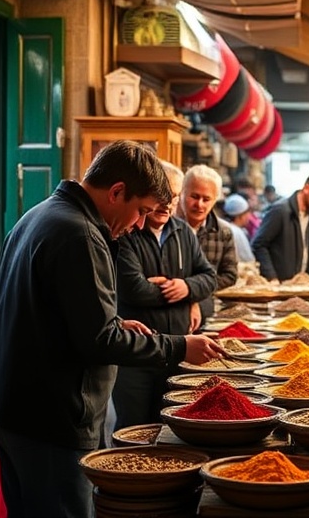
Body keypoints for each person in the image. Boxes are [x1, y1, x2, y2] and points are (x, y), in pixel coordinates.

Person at [0, 141, 224, 518]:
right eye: (141, 211)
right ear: (117, 192)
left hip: (16, 409)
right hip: (51, 417)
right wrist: (179, 346)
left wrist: (114, 321)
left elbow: (48, 310)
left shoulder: (40, 214)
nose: (139, 224)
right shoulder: (81, 234)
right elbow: (100, 342)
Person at [112, 162, 217, 427]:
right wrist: (178, 293)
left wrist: (187, 288)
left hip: (178, 353)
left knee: (171, 427)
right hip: (137, 355)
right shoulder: (127, 232)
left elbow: (209, 277)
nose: (167, 204)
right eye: (162, 195)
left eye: (175, 196)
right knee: (134, 428)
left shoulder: (184, 232)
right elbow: (134, 290)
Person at [252, 171, 309, 281]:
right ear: (307, 188)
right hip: (281, 285)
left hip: (303, 284)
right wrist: (272, 277)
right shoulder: (280, 211)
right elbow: (259, 245)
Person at [179, 165, 237, 321]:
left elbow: (230, 275)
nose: (199, 204)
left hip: (205, 309)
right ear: (182, 192)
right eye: (194, 196)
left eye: (206, 199)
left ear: (215, 200)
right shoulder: (166, 227)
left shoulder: (223, 232)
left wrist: (193, 289)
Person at [222, 193, 256, 263]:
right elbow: (248, 259)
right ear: (240, 216)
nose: (249, 216)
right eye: (247, 213)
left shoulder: (225, 228)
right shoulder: (237, 232)